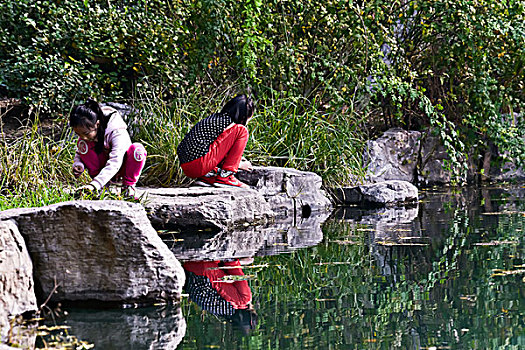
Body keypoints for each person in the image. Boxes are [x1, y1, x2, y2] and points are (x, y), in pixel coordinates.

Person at [69, 99, 147, 197]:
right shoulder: (86, 139)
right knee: (84, 144)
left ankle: (128, 187)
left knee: (138, 150)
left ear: (97, 124)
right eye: (78, 134)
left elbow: (116, 162)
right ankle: (103, 187)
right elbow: (79, 153)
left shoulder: (117, 132)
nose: (83, 137)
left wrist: (94, 184)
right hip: (101, 170)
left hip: (121, 166)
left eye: (85, 133)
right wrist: (78, 163)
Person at [176, 94, 254, 188]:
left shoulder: (215, 119)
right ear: (244, 116)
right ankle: (226, 177)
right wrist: (239, 164)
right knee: (242, 131)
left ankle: (208, 176)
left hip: (186, 166)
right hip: (199, 164)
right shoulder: (230, 124)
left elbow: (218, 150)